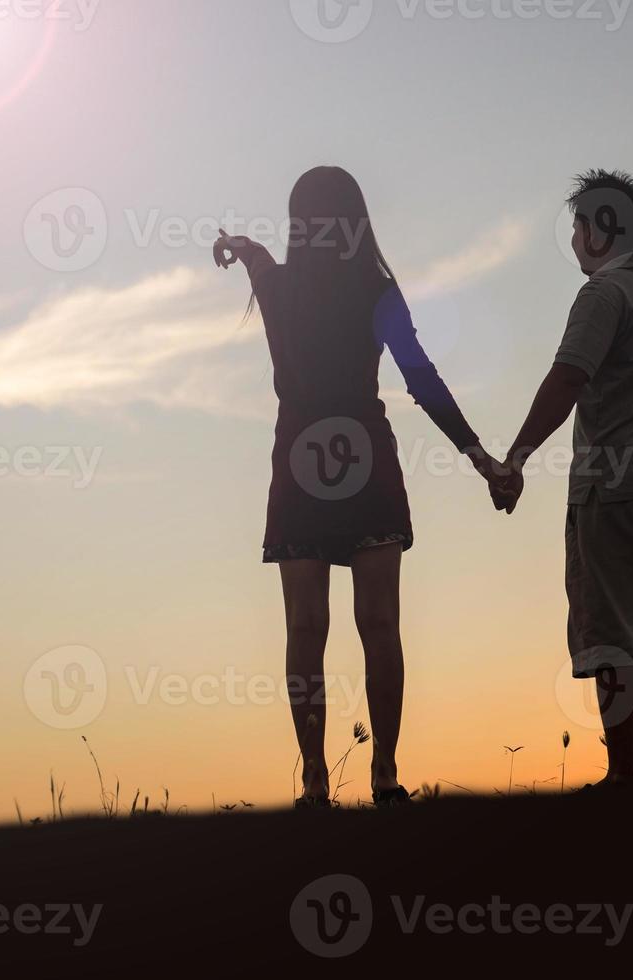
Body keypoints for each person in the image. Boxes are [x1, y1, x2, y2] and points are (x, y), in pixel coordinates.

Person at [213, 166, 511, 808]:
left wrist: (237, 244)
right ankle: (371, 773)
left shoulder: (312, 286)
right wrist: (478, 454)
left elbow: (259, 258)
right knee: (365, 623)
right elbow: (421, 378)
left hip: (312, 459)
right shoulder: (355, 287)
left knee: (315, 627)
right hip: (356, 459)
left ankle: (334, 775)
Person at [494, 170, 633, 790]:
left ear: (598, 229)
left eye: (577, 225)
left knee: (615, 636)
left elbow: (568, 379)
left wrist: (516, 457)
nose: (573, 237)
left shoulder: (601, 297)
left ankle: (623, 775)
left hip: (611, 492)